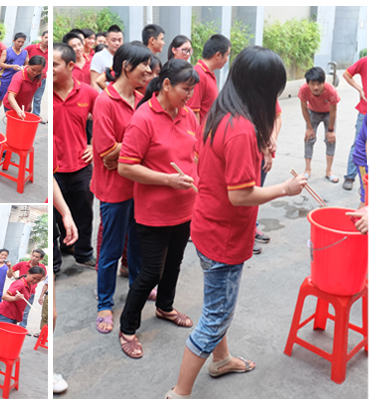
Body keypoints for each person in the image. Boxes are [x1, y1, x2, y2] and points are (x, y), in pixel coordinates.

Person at [165, 46, 307, 399]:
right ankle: (179, 392)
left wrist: (261, 147)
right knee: (216, 318)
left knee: (216, 304)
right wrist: (285, 188)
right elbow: (241, 196)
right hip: (224, 237)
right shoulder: (241, 129)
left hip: (208, 226)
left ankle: (222, 359)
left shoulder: (222, 112)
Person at [117, 59, 200, 358]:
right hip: (153, 212)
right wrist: (168, 180)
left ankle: (165, 307)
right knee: (151, 272)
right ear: (166, 84)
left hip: (185, 207)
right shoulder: (144, 118)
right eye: (185, 89)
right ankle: (127, 327)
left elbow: (195, 155)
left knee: (174, 263)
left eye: (192, 90)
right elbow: (126, 167)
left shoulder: (188, 116)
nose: (189, 95)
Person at [90, 43, 153, 334]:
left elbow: (139, 147)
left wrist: (124, 150)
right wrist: (134, 147)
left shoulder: (141, 99)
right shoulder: (105, 101)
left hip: (138, 185)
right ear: (126, 66)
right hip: (114, 188)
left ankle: (138, 287)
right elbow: (106, 153)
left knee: (138, 245)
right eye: (145, 65)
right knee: (112, 249)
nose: (149, 71)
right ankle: (105, 303)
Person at [53, 43, 99, 267]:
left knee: (84, 214)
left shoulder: (88, 93)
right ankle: (61, 252)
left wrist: (93, 145)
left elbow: (104, 120)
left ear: (71, 65)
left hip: (81, 166)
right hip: (54, 170)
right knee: (56, 216)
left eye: (55, 64)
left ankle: (84, 253)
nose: (50, 69)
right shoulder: (46, 93)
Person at [52, 162, 79, 395]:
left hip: (51, 237)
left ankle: (48, 367)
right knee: (51, 314)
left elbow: (50, 178)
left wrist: (66, 213)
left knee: (52, 315)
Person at [298, 66, 340, 183]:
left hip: (328, 113)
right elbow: (304, 109)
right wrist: (309, 127)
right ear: (308, 83)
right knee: (309, 139)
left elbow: (333, 111)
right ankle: (307, 169)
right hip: (313, 112)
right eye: (312, 84)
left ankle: (329, 171)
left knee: (331, 140)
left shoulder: (331, 90)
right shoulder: (303, 90)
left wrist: (331, 130)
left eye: (319, 84)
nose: (316, 87)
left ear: (323, 82)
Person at [187, 34, 231, 123]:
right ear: (218, 55)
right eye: (227, 55)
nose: (227, 60)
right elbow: (193, 111)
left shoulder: (209, 73)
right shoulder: (199, 74)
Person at [0, 32, 28, 125]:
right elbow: (0, 63)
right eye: (18, 41)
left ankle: (11, 115)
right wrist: (12, 66)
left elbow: (27, 64)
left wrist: (23, 67)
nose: (20, 44)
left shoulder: (25, 53)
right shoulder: (7, 51)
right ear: (14, 41)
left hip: (18, 79)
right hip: (5, 78)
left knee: (13, 97)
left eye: (22, 42)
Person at [342, 56, 367, 190]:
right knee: (359, 143)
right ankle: (350, 176)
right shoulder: (365, 62)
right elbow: (347, 74)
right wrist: (360, 89)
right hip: (365, 111)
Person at [9, 249, 47, 330]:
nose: (34, 258)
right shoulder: (22, 264)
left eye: (37, 257)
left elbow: (44, 276)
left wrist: (37, 281)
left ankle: (22, 328)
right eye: (33, 255)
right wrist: (16, 278)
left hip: (31, 293)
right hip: (19, 292)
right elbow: (12, 270)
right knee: (14, 309)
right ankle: (11, 326)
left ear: (41, 258)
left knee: (25, 311)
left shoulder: (42, 267)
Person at [90, 25, 123, 91]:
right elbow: (94, 82)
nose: (117, 43)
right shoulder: (99, 56)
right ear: (107, 40)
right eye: (113, 40)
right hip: (104, 94)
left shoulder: (125, 56)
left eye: (119, 40)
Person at [25, 30, 49, 119]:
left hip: (42, 77)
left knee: (38, 98)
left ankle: (36, 116)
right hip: (29, 77)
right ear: (42, 37)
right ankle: (25, 114)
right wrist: (25, 65)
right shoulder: (31, 47)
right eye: (46, 37)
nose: (47, 40)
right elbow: (22, 54)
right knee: (26, 96)